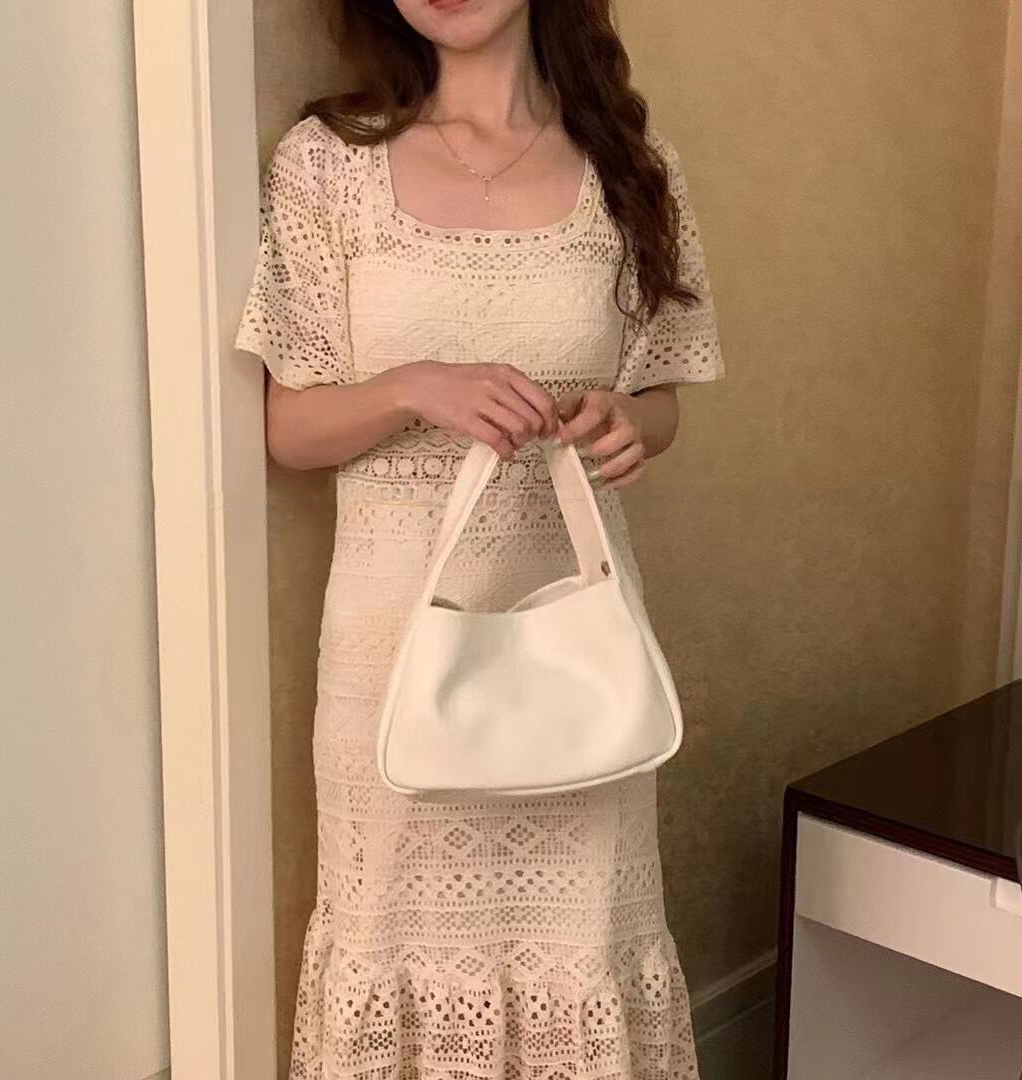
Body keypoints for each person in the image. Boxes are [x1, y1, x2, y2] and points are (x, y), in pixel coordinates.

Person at [234, 1, 724, 1076]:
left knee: (580, 951)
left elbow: (662, 403)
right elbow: (287, 430)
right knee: (392, 947)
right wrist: (413, 388)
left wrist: (622, 423)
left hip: (579, 657)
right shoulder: (328, 164)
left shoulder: (630, 167)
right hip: (390, 657)